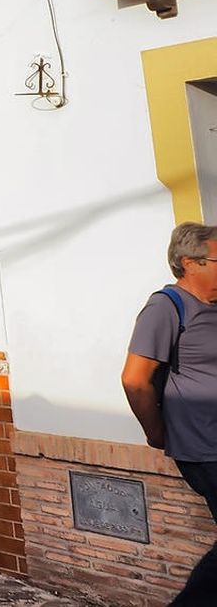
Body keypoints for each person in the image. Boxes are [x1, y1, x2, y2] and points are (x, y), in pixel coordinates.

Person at [122, 222, 217, 603]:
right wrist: (156, 432)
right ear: (189, 262)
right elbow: (135, 379)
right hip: (204, 446)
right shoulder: (166, 307)